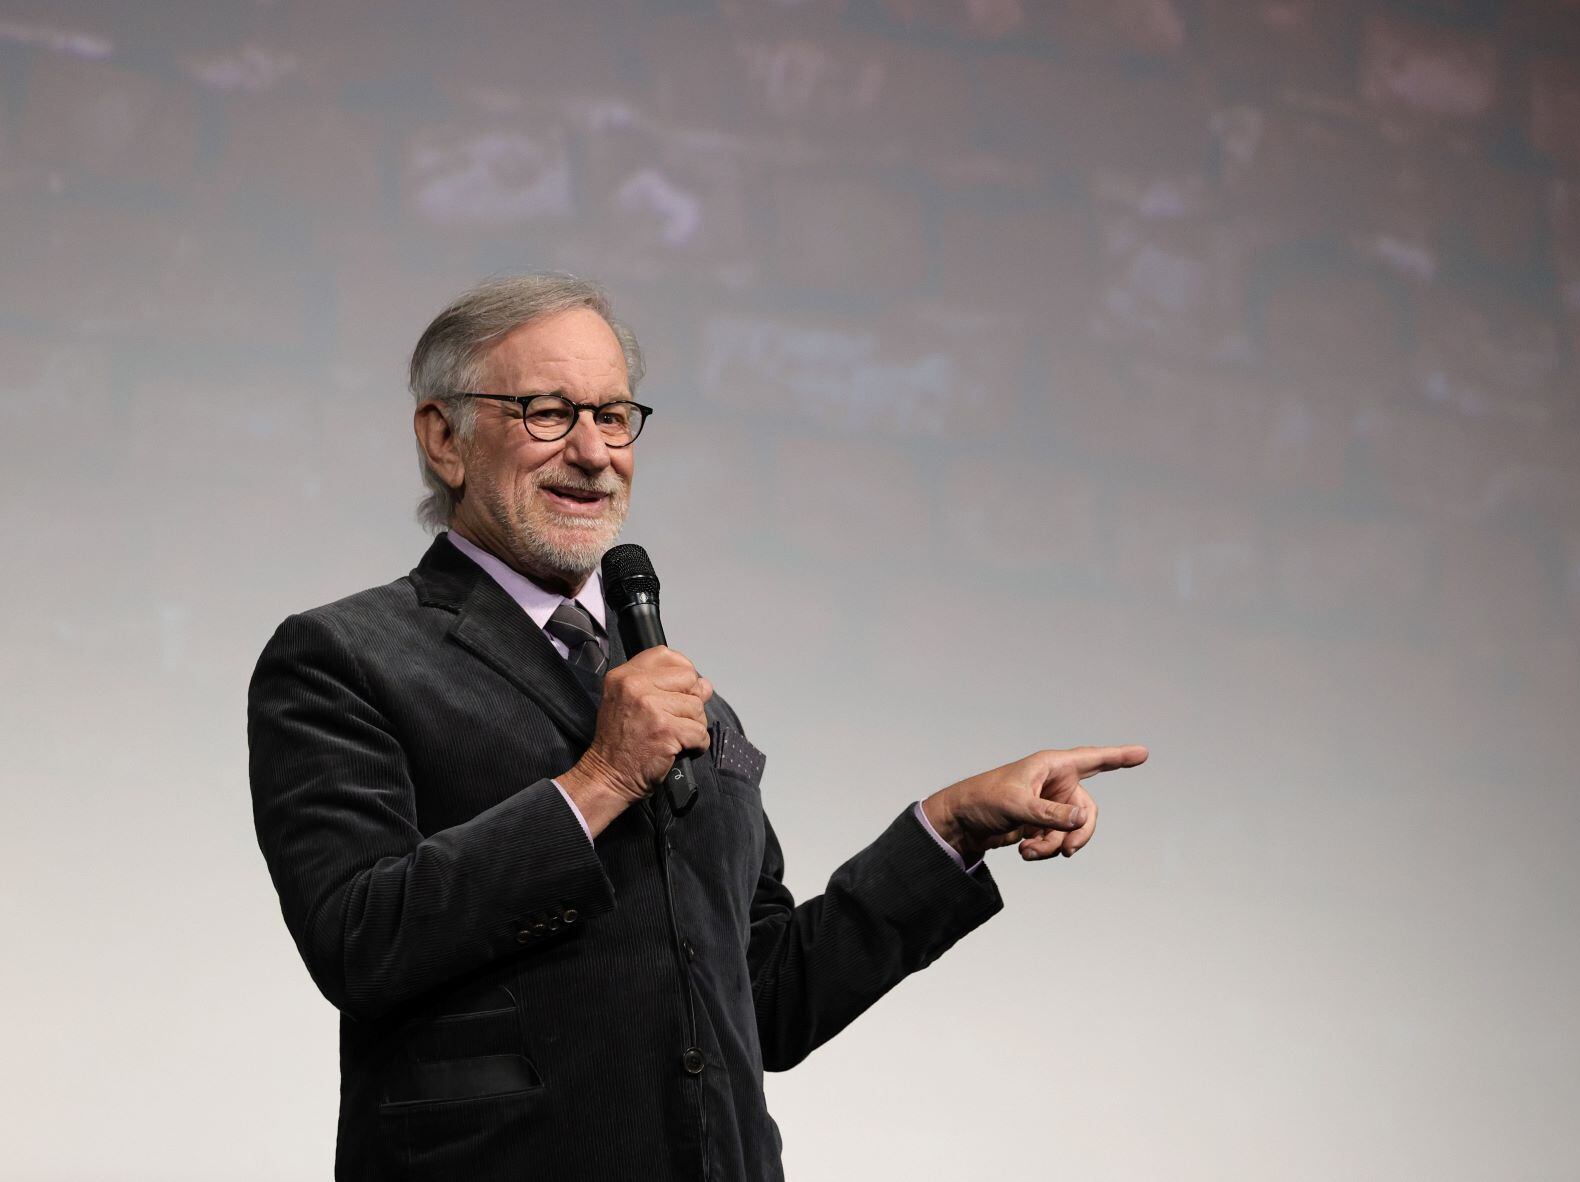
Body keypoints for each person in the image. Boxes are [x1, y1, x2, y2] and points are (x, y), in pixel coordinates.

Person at [247, 272, 1147, 1181]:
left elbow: (765, 997)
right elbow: (362, 941)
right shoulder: (343, 658)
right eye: (549, 413)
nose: (594, 452)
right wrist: (600, 780)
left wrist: (949, 827)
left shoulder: (684, 700)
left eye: (612, 415)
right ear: (445, 438)